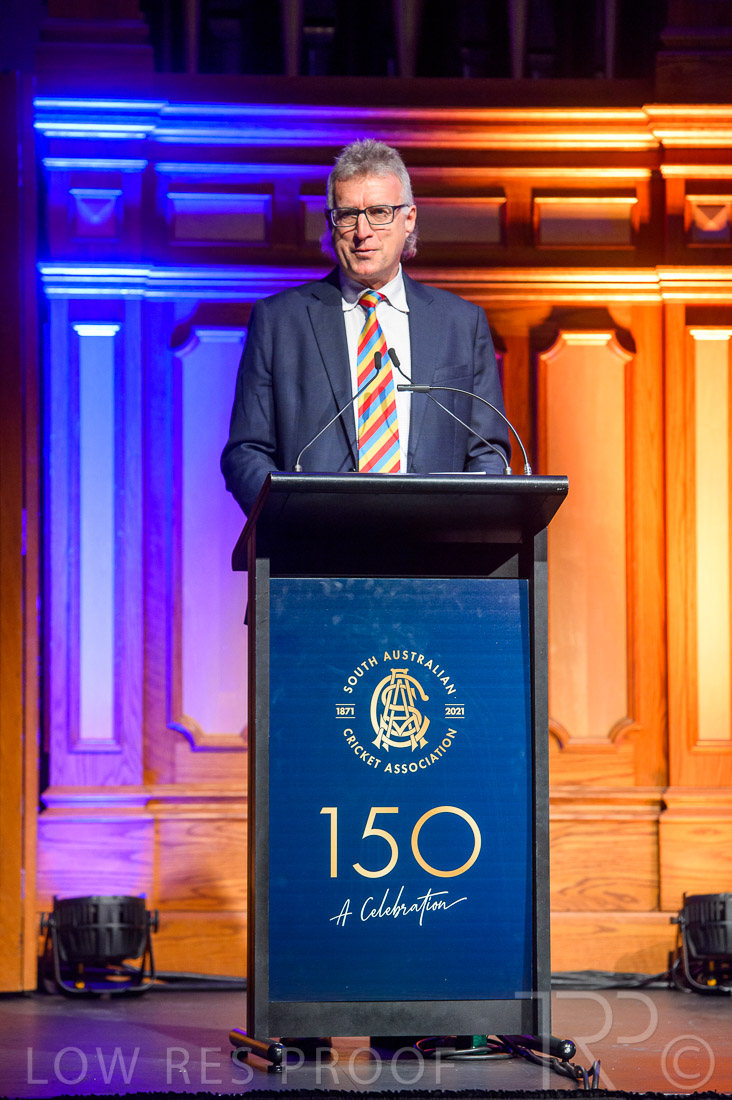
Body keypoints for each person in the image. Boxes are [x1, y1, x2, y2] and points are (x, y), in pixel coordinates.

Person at [221, 138, 510, 515]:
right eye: (347, 215)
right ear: (330, 222)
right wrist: (288, 520)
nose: (362, 231)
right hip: (313, 544)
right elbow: (246, 452)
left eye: (379, 212)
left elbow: (488, 452)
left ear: (409, 219)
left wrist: (458, 527)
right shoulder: (279, 321)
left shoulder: (461, 324)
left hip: (433, 543)